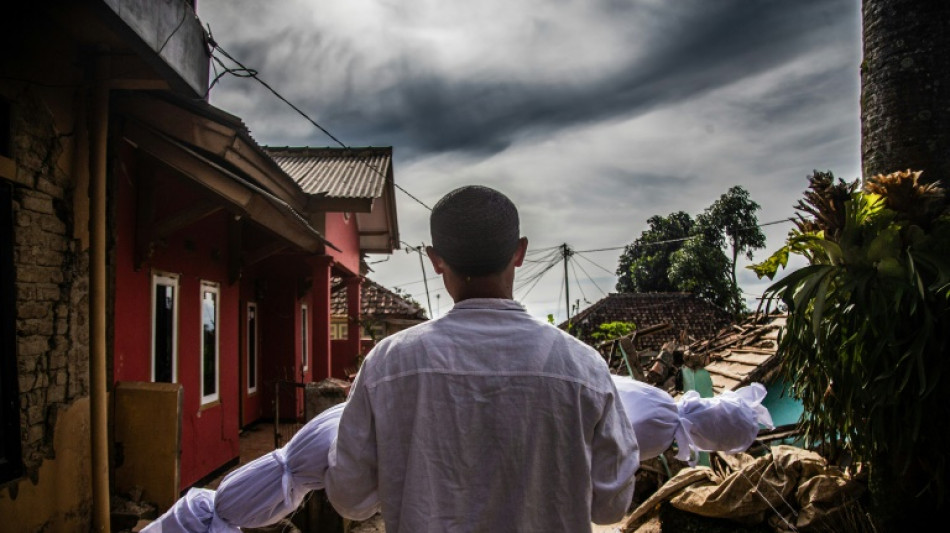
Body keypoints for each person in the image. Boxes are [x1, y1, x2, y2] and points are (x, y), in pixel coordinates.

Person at [325, 185, 639, 532]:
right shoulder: (583, 367)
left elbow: (350, 500)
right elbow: (611, 507)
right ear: (520, 252)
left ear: (435, 259)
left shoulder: (388, 364)